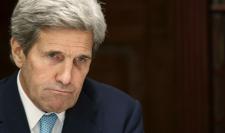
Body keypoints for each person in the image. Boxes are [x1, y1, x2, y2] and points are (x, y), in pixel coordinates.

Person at [0, 0, 144, 133]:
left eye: (81, 59)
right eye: (54, 56)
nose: (66, 78)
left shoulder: (121, 116)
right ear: (19, 52)